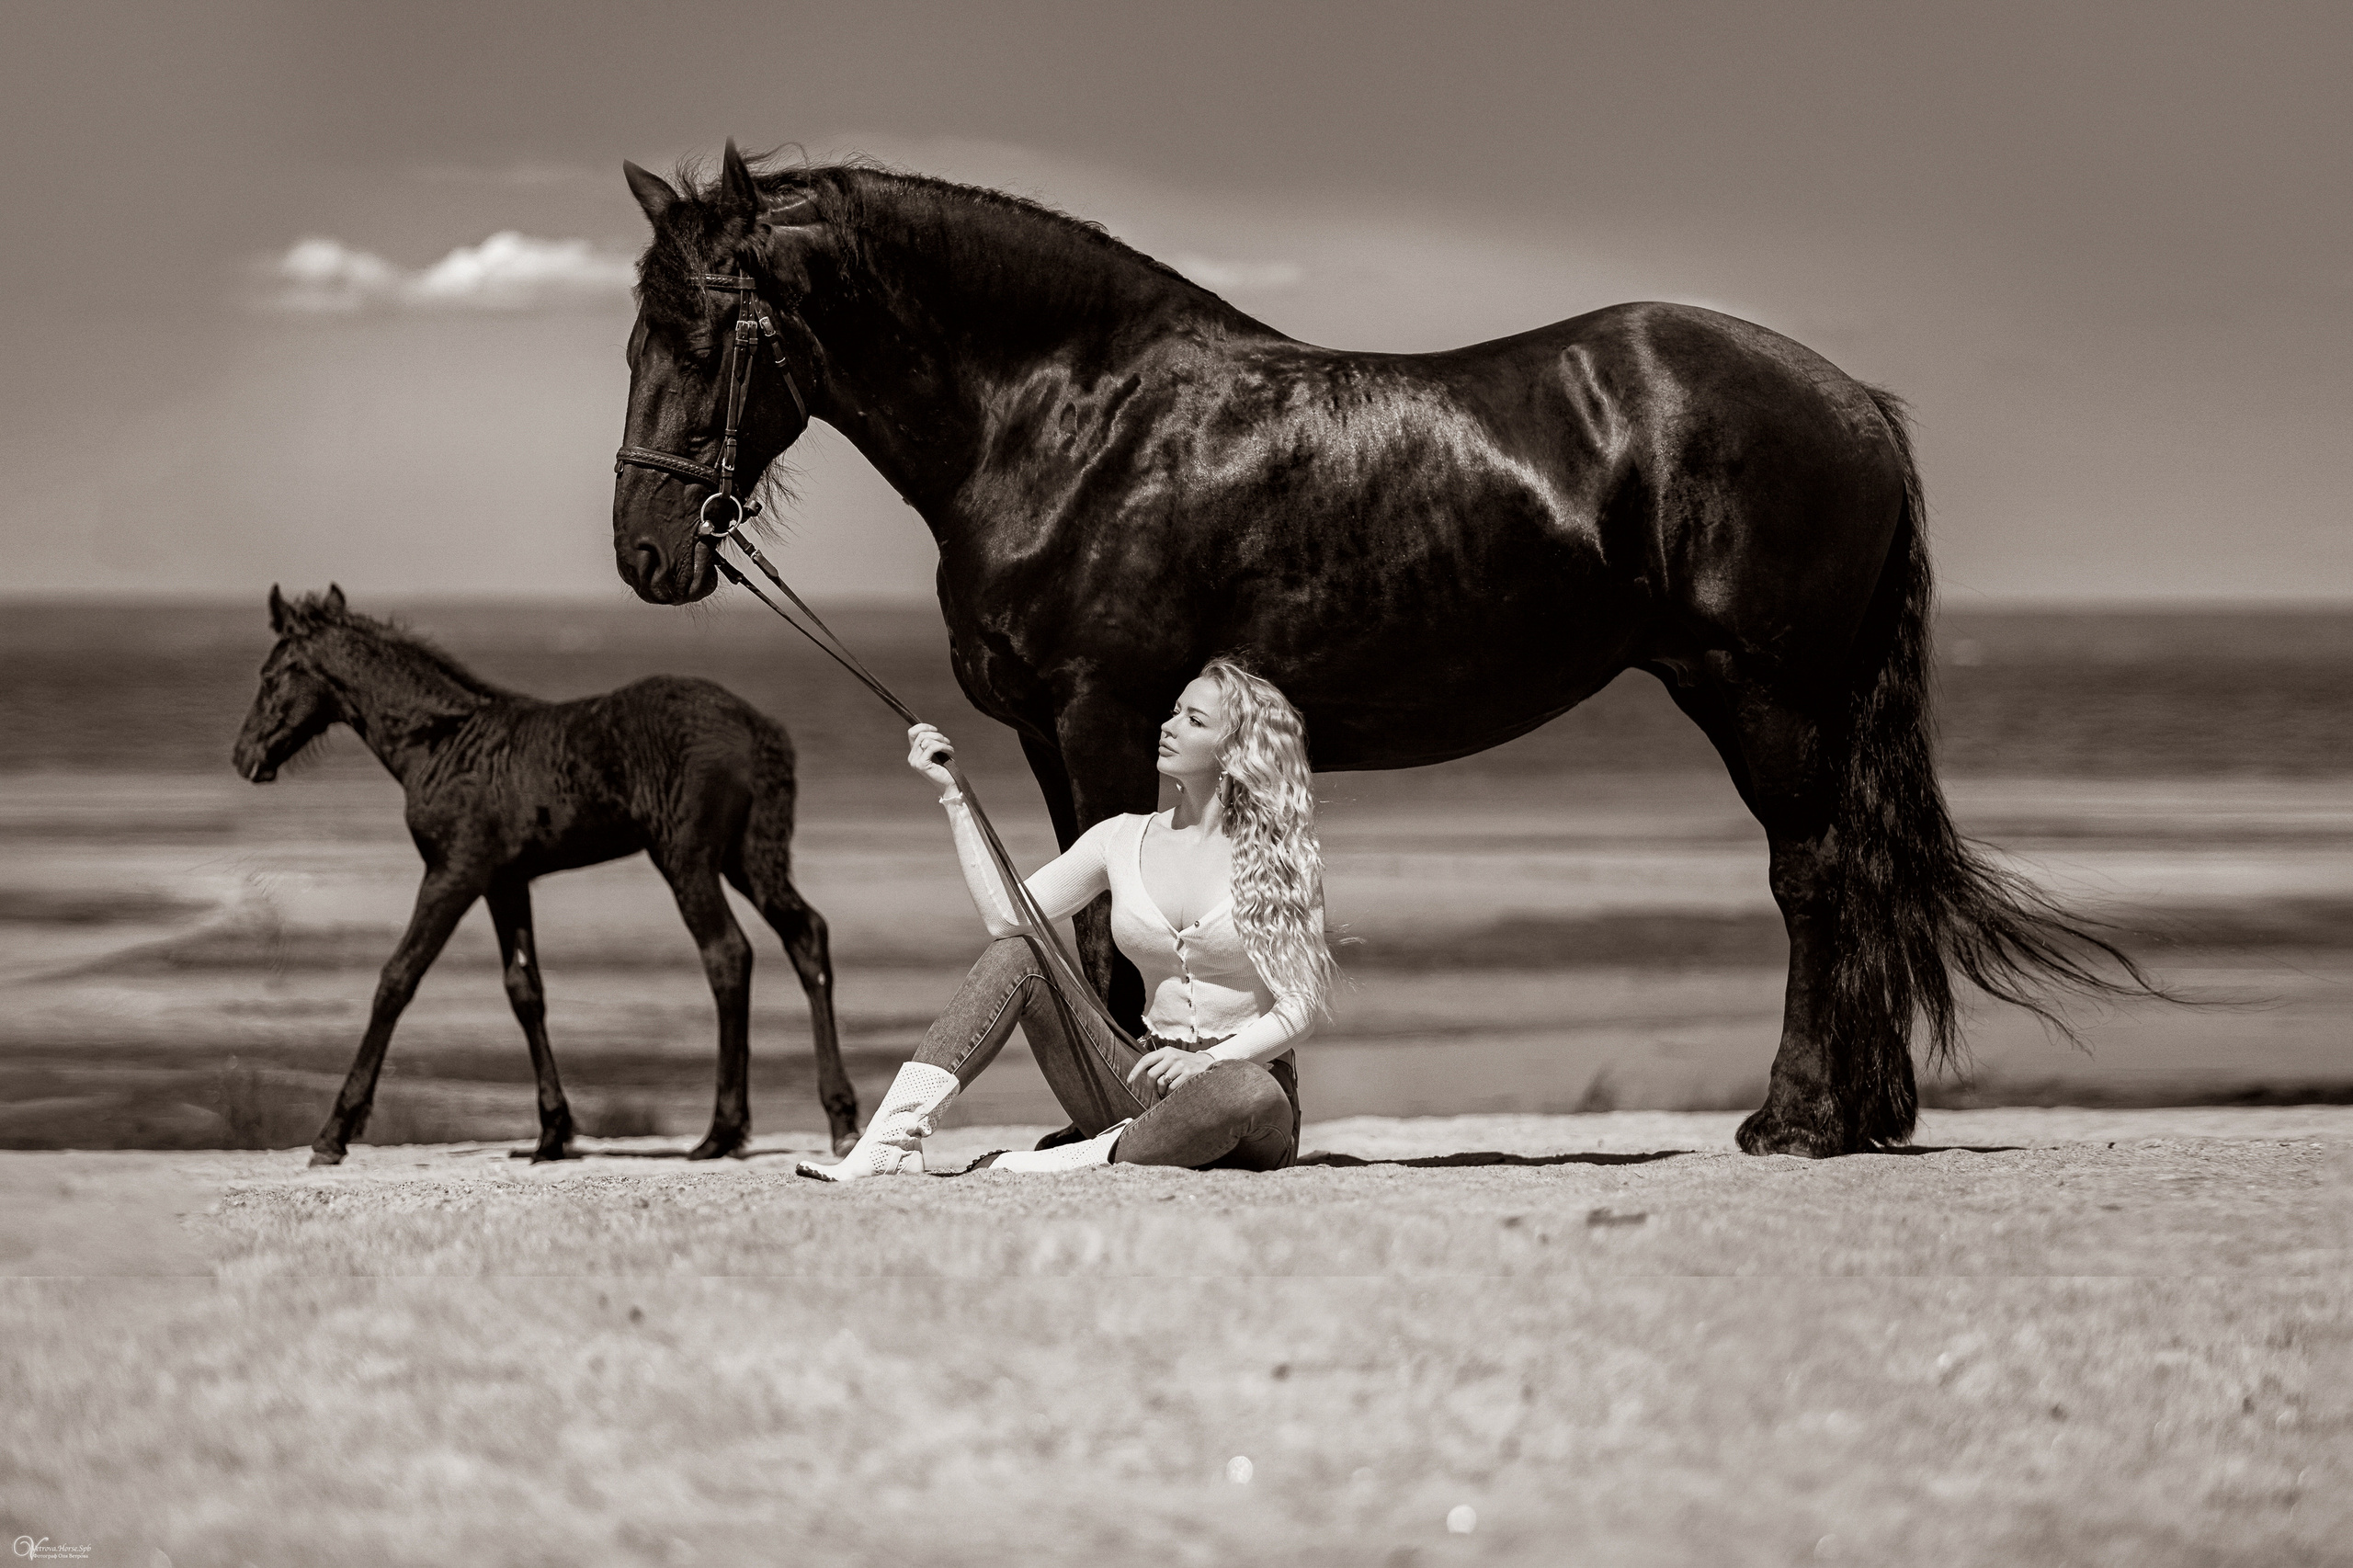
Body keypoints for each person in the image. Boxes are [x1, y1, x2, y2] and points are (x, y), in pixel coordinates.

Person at [797, 656, 1336, 1179]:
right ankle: (890, 1139)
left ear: (1234, 750)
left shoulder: (1281, 856)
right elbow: (1008, 918)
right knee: (1021, 952)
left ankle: (1073, 1158)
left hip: (1247, 1101)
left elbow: (1302, 1008)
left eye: (1194, 720)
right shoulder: (1120, 838)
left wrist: (1210, 1062)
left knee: (1247, 1090)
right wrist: (956, 796)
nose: (1168, 726)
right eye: (1175, 711)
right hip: (1144, 1082)